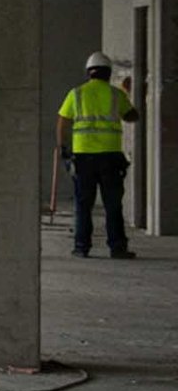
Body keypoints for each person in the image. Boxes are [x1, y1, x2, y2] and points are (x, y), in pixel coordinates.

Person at [57, 50, 139, 259]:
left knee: (83, 204)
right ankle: (117, 247)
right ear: (108, 73)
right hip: (110, 157)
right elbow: (132, 117)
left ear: (89, 72)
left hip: (83, 157)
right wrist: (128, 93)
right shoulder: (116, 94)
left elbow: (63, 122)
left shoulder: (76, 93)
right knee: (113, 204)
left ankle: (82, 247)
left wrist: (64, 149)